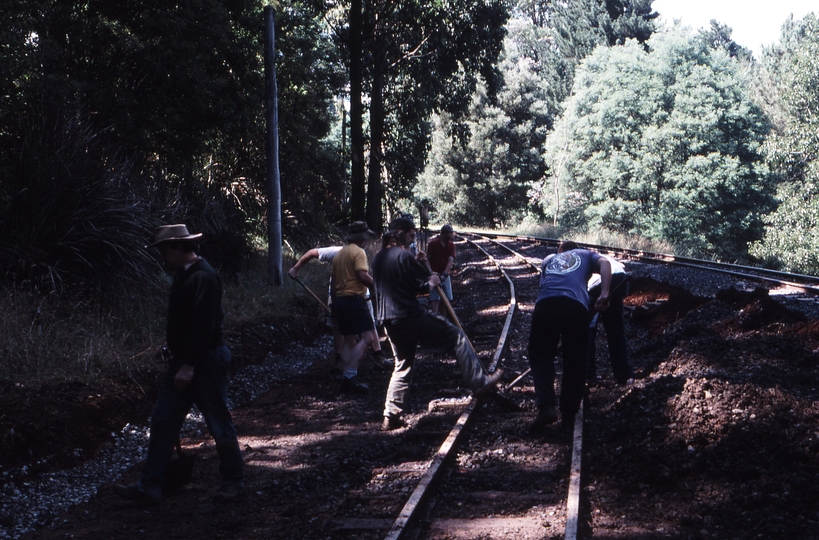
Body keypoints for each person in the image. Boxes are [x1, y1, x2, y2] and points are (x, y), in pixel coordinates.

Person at [114, 224, 244, 504]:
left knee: (218, 421)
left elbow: (203, 327)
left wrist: (189, 365)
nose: (163, 257)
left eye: (165, 251)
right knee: (163, 419)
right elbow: (185, 322)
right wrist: (174, 351)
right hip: (185, 360)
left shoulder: (203, 277)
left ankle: (233, 481)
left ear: (178, 247)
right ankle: (150, 484)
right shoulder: (184, 276)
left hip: (204, 361)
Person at [372, 217, 503, 430]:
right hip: (409, 315)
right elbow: (424, 286)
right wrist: (432, 280)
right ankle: (480, 382)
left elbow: (401, 281)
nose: (413, 240)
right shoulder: (404, 256)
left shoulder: (378, 258)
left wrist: (419, 262)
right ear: (401, 233)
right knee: (456, 335)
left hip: (388, 320)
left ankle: (391, 415)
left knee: (402, 364)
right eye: (411, 235)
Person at [527, 240, 611, 432]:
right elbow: (605, 263)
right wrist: (604, 294)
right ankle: (568, 416)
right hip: (575, 306)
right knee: (575, 360)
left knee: (540, 354)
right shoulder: (587, 254)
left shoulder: (549, 259)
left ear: (560, 250)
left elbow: (544, 286)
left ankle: (546, 406)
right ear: (577, 249)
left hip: (546, 304)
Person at [289, 245, 384, 369]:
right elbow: (312, 252)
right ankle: (341, 360)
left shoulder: (359, 253)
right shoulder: (335, 252)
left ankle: (378, 355)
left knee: (369, 324)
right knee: (339, 327)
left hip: (358, 295)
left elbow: (363, 275)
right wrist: (296, 268)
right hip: (338, 295)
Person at [331, 222, 377, 394]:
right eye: (365, 236)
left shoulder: (339, 254)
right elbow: (362, 276)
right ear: (360, 237)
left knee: (349, 341)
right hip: (354, 300)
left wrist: (335, 307)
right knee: (369, 338)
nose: (366, 239)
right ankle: (350, 376)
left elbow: (334, 285)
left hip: (341, 301)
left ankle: (346, 378)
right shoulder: (359, 252)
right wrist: (378, 286)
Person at [587, 255, 634, 384]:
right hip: (620, 278)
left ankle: (589, 374)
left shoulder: (577, 261)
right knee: (615, 331)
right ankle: (624, 375)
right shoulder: (597, 256)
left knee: (588, 330)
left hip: (597, 284)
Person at [426, 224, 456, 315]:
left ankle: (443, 319)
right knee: (435, 298)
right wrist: (430, 272)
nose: (448, 239)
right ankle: (434, 317)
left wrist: (445, 274)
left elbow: (450, 260)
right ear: (442, 234)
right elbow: (428, 258)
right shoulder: (433, 244)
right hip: (434, 275)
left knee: (446, 299)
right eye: (447, 236)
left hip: (444, 275)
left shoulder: (451, 245)